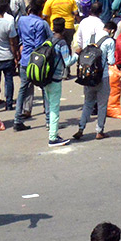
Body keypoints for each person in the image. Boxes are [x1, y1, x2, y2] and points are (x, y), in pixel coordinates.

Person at [73, 9, 114, 141]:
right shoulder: (109, 41)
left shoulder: (91, 38)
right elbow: (112, 61)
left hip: (88, 75)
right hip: (102, 76)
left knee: (88, 103)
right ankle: (99, 130)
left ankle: (81, 127)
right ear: (111, 30)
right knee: (102, 104)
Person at [13, 0, 52, 131]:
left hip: (25, 60)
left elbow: (20, 38)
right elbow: (44, 42)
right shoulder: (42, 24)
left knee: (22, 90)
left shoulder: (22, 20)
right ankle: (48, 120)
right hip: (38, 61)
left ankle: (17, 119)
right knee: (45, 90)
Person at [43, 17, 76, 147]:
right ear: (63, 29)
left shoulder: (48, 40)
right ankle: (53, 137)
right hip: (55, 79)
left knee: (50, 105)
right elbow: (67, 61)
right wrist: (77, 55)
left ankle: (53, 132)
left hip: (45, 78)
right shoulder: (62, 43)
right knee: (54, 109)